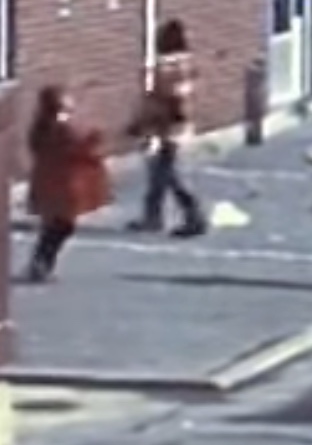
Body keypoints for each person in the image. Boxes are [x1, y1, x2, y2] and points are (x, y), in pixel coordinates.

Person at [128, 18, 207, 237]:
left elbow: (161, 99)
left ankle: (193, 216)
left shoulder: (166, 67)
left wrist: (141, 123)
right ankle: (153, 216)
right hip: (180, 128)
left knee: (168, 174)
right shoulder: (189, 64)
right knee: (160, 175)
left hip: (166, 129)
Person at [25, 86, 110, 283]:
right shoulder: (60, 128)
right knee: (62, 225)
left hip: (49, 180)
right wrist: (95, 138)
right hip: (63, 182)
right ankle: (42, 262)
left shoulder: (42, 127)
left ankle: (41, 262)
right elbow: (78, 149)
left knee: (53, 224)